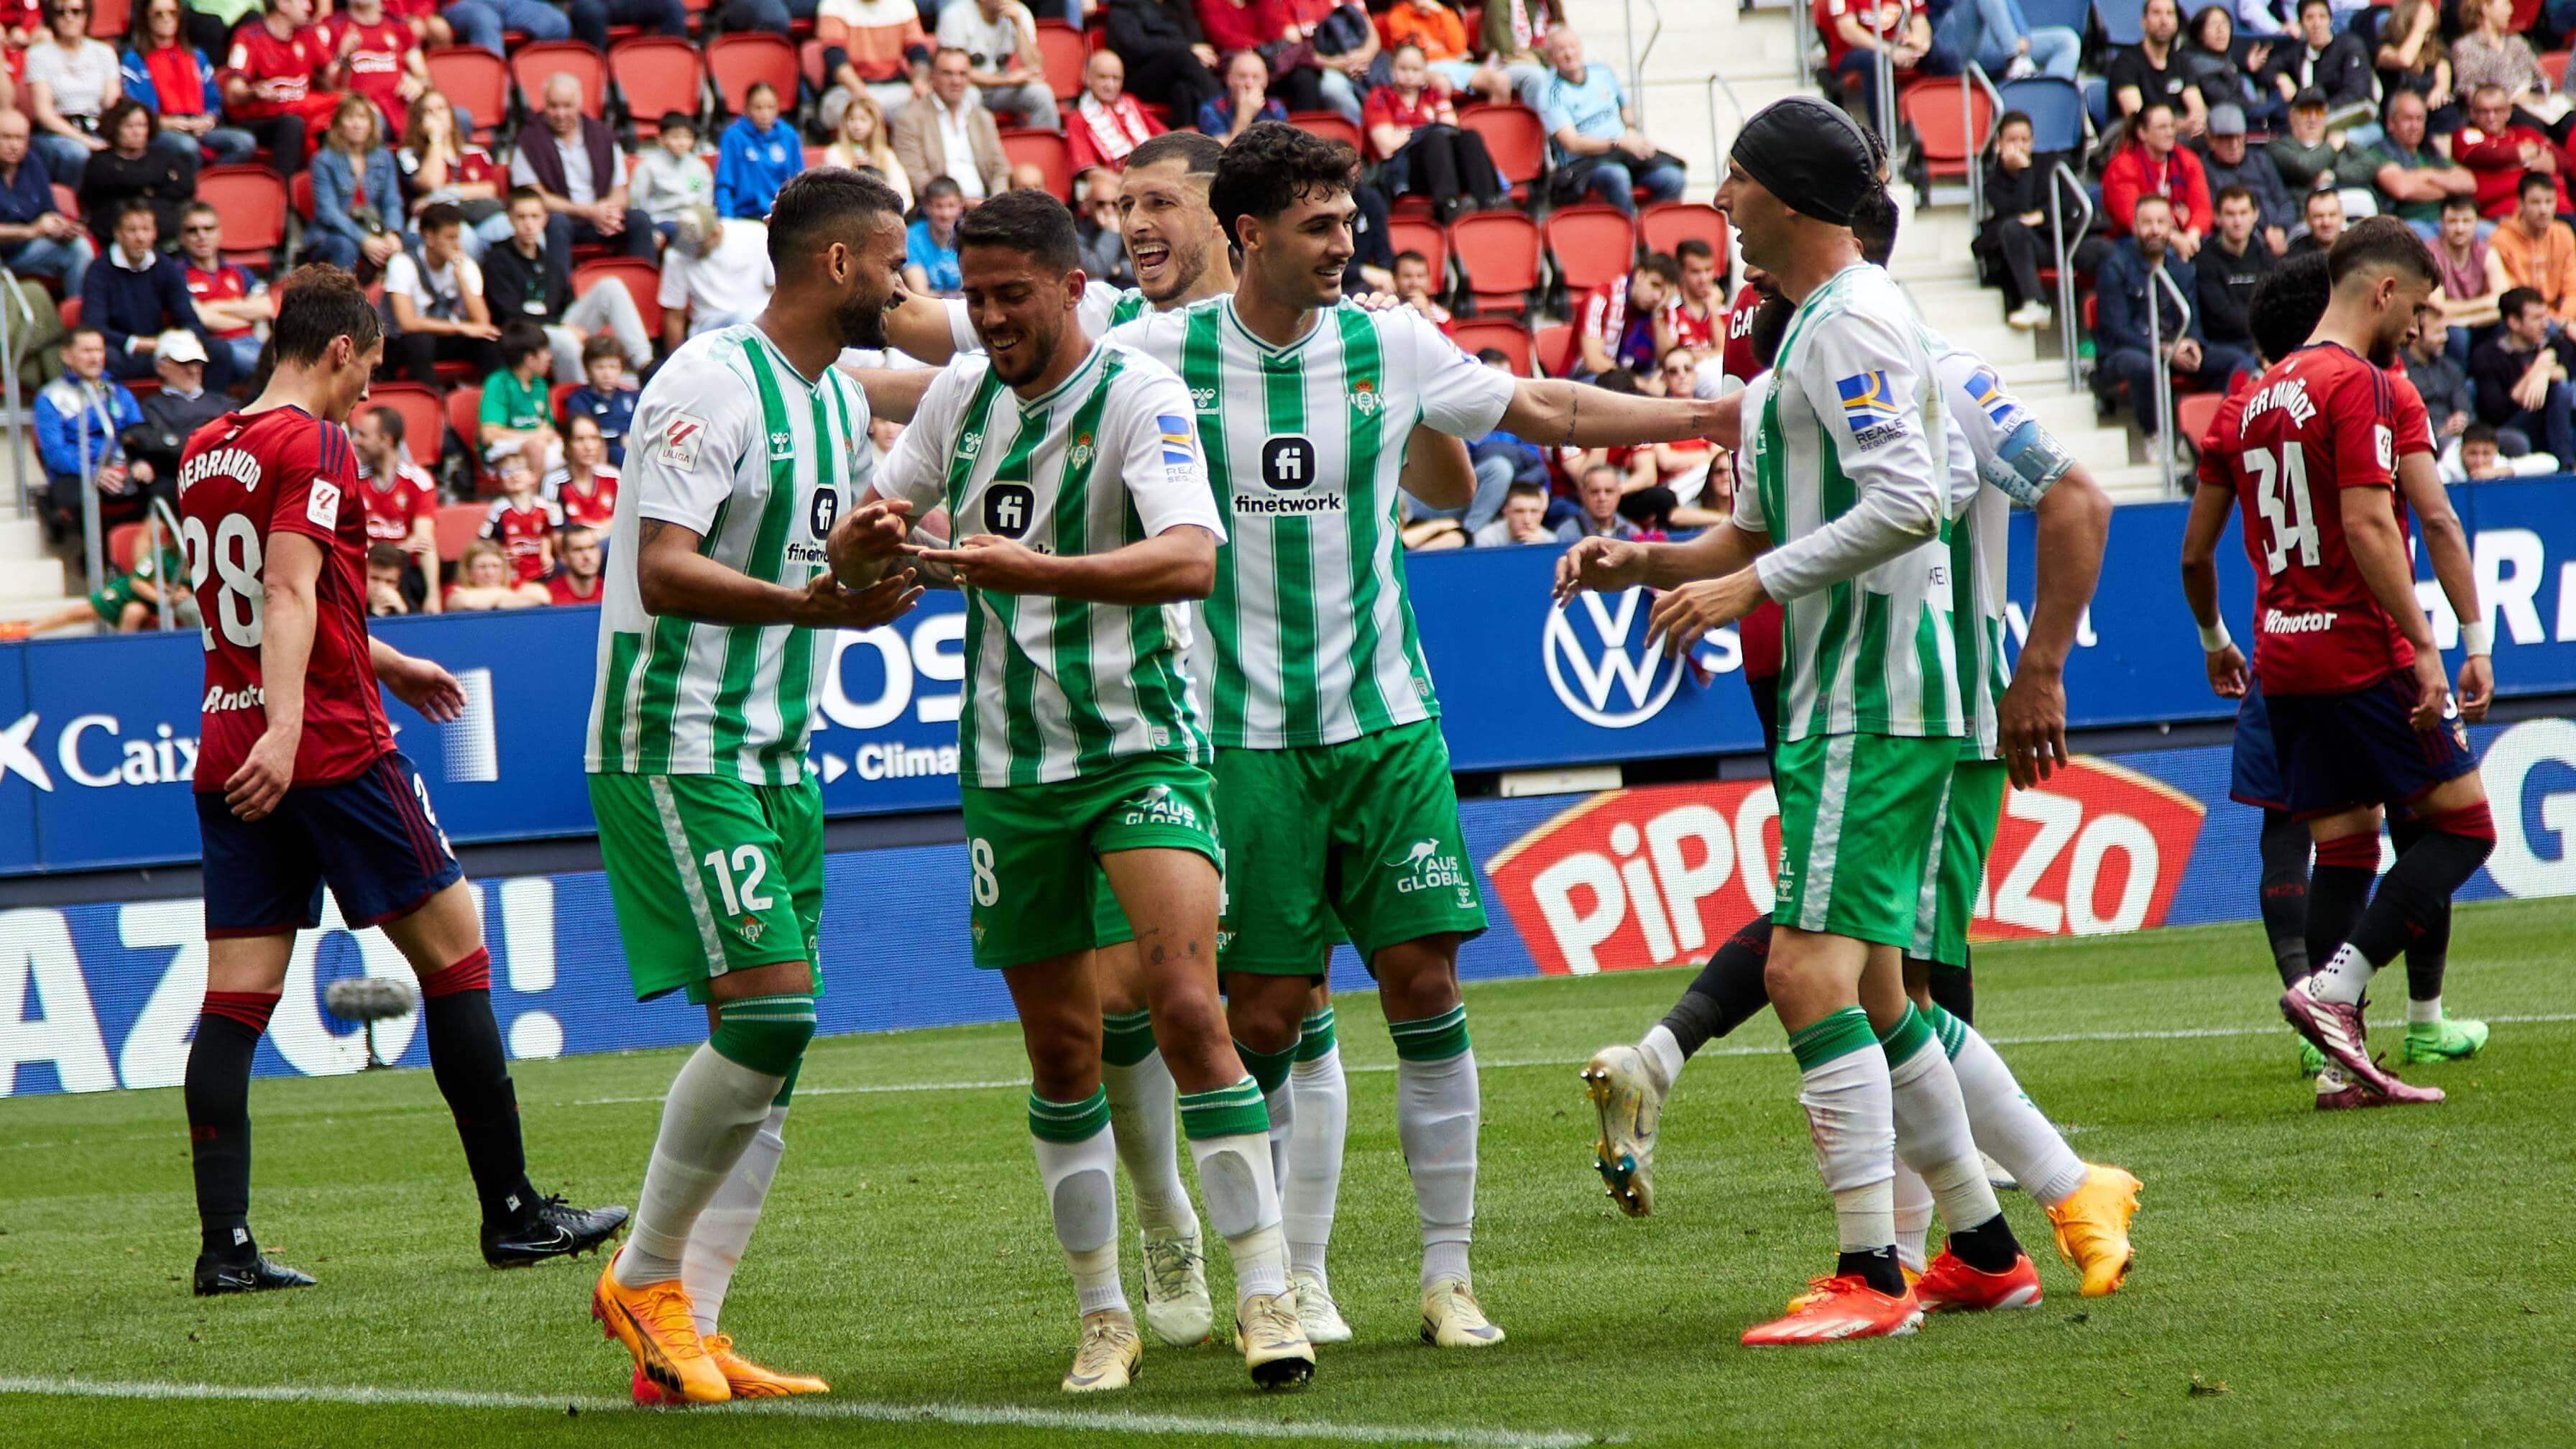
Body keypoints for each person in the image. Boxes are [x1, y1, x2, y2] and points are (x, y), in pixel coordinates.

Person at [1104, 120, 1734, 1358]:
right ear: (1247, 234)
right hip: (1241, 741)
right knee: (1269, 1018)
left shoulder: (1383, 342)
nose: (1346, 243)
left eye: (1349, 221)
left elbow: (1541, 403)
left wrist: (1712, 410)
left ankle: (1447, 1279)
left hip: (1385, 725)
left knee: (1426, 986)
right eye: (1319, 226)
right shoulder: (1156, 352)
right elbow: (1006, 392)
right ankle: (1271, 1273)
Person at [1573, 184, 2138, 1300]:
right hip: (1843, 686)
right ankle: (1987, 1244)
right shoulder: (1808, 357)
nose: (1753, 313)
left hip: (1925, 703)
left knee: (1866, 968)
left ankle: (2005, 1214)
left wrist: (2038, 673)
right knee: (1878, 976)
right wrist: (1643, 559)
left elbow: (2074, 496)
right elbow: (1759, 522)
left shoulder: (1914, 356)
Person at [851, 182, 1310, 1394]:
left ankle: (1264, 1291)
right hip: (1009, 769)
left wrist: (1033, 568)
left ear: (1068, 285)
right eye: (976, 296)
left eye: (1013, 296)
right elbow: (887, 515)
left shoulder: (1134, 394)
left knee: (1186, 1007)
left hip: (1138, 747)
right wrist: (863, 542)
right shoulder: (957, 395)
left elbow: (1189, 560)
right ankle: (1102, 1310)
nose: (992, 318)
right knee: (1061, 1052)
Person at [175, 263, 625, 1297]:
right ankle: (514, 1215)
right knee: (458, 952)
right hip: (325, 744)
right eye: (369, 368)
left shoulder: (206, 449)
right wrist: (294, 729)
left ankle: (225, 1249)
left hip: (229, 745)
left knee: (235, 1001)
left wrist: (387, 658)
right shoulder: (316, 440)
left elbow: (259, 603)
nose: (370, 392)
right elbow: (286, 590)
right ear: (339, 350)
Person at [581, 167, 920, 1407]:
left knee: (775, 1059)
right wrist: (809, 605)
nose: (905, 281)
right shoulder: (704, 384)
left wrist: (882, 582)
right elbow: (663, 570)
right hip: (677, 739)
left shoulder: (834, 400)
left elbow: (825, 563)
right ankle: (645, 1276)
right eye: (893, 258)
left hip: (778, 750)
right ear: (837, 264)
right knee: (769, 1017)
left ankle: (691, 1339)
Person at [2191, 219, 2493, 1106]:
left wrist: (2216, 638)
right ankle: (2335, 988)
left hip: (2282, 658)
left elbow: (2191, 553)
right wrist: (2435, 645)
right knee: (2464, 828)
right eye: (2419, 309)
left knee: (2344, 844)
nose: (2418, 331)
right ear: (2384, 291)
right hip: (2362, 649)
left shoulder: (2253, 394)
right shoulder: (2358, 383)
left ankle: (2338, 1066)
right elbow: (2380, 524)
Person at [2094, 193, 2238, 443]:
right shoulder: (2115, 266)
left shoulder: (2181, 268)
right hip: (2127, 354)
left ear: (2172, 227)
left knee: (2237, 361)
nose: (2155, 230)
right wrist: (2165, 351)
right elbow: (2117, 332)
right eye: (2147, 223)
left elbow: (2192, 318)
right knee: (2144, 366)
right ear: (2134, 226)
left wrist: (2193, 343)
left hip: (2174, 349)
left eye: (2162, 222)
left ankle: (2223, 436)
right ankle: (2156, 437)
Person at [482, 185, 653, 382]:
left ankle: (645, 365)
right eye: (521, 217)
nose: (528, 224)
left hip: (557, 326)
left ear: (545, 219)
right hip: (521, 334)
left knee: (610, 286)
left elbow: (567, 303)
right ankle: (579, 399)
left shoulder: (550, 261)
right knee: (568, 341)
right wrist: (561, 327)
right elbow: (509, 315)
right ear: (510, 219)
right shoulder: (498, 258)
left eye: (535, 217)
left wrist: (563, 326)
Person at [1535, 26, 1683, 215]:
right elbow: (1571, 143)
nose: (1569, 54)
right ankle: (1629, 237)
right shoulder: (1551, 93)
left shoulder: (1602, 72)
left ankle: (1655, 237)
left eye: (1573, 46)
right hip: (1584, 163)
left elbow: (1626, 108)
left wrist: (1629, 130)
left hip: (1623, 152)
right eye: (1561, 50)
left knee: (1672, 177)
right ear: (1550, 58)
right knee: (1617, 176)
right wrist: (1617, 143)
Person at [510, 75, 656, 262]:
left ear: (579, 104)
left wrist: (607, 213)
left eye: (567, 106)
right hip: (564, 221)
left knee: (640, 220)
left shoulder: (602, 135)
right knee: (556, 223)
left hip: (601, 219)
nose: (561, 114)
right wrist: (588, 212)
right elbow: (536, 197)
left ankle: (643, 284)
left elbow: (620, 191)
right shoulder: (529, 140)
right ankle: (561, 290)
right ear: (544, 104)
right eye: (554, 107)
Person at [82, 202, 229, 387]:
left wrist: (176, 341)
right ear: (118, 234)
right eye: (132, 230)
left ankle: (210, 408)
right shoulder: (99, 270)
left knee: (219, 351)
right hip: (125, 351)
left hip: (165, 349)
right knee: (108, 359)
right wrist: (142, 344)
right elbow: (94, 328)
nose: (140, 238)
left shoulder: (164, 266)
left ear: (155, 233)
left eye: (146, 230)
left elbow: (190, 320)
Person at [1364, 43, 1504, 222]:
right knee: (1436, 138)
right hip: (1404, 171)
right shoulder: (1380, 98)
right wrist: (1426, 131)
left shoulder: (1434, 95)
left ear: (1425, 72)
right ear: (1392, 69)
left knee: (1470, 136)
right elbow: (1386, 147)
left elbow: (1452, 128)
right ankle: (1448, 206)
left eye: (1415, 69)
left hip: (1441, 167)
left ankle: (1489, 202)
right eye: (1403, 68)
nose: (1409, 75)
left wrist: (1407, 133)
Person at [34, 326, 148, 538]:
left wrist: (141, 462)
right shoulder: (50, 397)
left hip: (119, 470)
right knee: (78, 497)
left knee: (163, 488)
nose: (96, 358)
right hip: (77, 474)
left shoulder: (118, 392)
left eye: (99, 351)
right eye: (87, 351)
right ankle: (97, 562)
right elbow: (55, 454)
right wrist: (94, 472)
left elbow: (139, 434)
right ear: (67, 356)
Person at [380, 201, 501, 386]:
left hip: (445, 339)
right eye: (450, 238)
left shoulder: (465, 265)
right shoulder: (402, 263)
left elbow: (482, 323)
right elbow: (407, 323)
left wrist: (461, 280)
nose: (456, 245)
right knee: (421, 341)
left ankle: (489, 402)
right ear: (429, 237)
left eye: (457, 237)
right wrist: (461, 327)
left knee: (489, 342)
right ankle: (428, 403)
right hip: (403, 343)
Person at [121, 0, 256, 164]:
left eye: (173, 13)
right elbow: (135, 107)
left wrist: (208, 120)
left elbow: (213, 101)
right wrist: (166, 122)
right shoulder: (134, 59)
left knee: (244, 142)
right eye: (158, 14)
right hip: (160, 129)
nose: (166, 19)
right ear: (146, 19)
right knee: (188, 146)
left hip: (198, 125)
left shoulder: (197, 56)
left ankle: (210, 183)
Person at [223, 0, 346, 178]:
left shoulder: (308, 33)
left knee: (345, 114)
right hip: (260, 119)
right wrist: (254, 92)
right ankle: (284, 196)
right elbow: (232, 94)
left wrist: (342, 56)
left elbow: (332, 84)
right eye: (302, 1)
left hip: (302, 112)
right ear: (283, 4)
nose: (309, 7)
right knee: (292, 124)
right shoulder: (249, 36)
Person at [0, 529, 185, 637]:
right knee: (81, 612)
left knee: (133, 613)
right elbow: (137, 582)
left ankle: (124, 660)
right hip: (132, 593)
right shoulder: (164, 554)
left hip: (155, 605)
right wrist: (166, 596)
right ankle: (27, 630)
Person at [396, 90, 510, 260]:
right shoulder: (409, 154)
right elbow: (432, 183)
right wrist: (436, 140)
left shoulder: (475, 152)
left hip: (477, 215)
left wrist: (442, 195)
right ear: (419, 122)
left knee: (506, 227)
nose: (436, 116)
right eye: (429, 111)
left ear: (451, 115)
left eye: (441, 109)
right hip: (436, 225)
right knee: (463, 235)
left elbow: (489, 190)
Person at [2469, 285, 2576, 464]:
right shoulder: (2487, 356)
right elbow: (2496, 412)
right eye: (2536, 318)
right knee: (2557, 390)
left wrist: (2544, 372)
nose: (2545, 324)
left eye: (2545, 316)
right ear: (2514, 323)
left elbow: (2563, 365)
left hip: (2546, 422)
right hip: (2509, 425)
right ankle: (2566, 465)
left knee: (2560, 390)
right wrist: (2535, 372)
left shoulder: (2553, 345)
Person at [893, 48, 1014, 202]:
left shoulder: (983, 117)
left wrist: (995, 204)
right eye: (947, 73)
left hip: (985, 206)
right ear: (932, 76)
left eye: (962, 74)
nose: (956, 81)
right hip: (938, 210)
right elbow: (914, 173)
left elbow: (1000, 169)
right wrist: (957, 204)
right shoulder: (910, 118)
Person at [352, 401, 441, 612]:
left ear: (386, 440)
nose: (355, 441)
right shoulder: (352, 479)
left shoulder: (417, 480)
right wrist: (400, 547)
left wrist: (433, 595)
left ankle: (430, 603)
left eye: (363, 435)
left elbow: (423, 542)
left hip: (403, 575)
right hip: (364, 569)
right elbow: (355, 542)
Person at [308, 94, 410, 275]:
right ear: (338, 124)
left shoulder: (383, 157)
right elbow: (328, 212)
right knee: (346, 247)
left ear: (372, 124)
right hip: (334, 234)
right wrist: (364, 240)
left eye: (363, 118)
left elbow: (392, 201)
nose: (357, 124)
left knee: (413, 242)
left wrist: (392, 232)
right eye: (350, 118)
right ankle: (342, 302)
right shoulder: (323, 160)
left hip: (375, 229)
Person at [77, 100, 193, 253]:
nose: (137, 132)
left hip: (165, 238)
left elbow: (186, 186)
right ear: (115, 128)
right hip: (115, 239)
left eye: (142, 126)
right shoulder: (100, 161)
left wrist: (145, 188)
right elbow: (130, 180)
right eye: (129, 126)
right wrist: (157, 185)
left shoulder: (163, 155)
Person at [0, 107, 95, 293]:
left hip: (25, 250)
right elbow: (34, 230)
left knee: (79, 248)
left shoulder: (32, 163)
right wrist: (30, 231)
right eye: (6, 137)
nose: (14, 145)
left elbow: (48, 209)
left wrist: (62, 227)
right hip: (6, 248)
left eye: (20, 138)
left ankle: (79, 317)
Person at [2102, 101, 2212, 254]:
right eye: (2162, 128)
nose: (2170, 133)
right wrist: (2175, 228)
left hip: (2185, 235)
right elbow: (2133, 219)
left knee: (2212, 247)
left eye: (2172, 126)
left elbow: (2202, 209)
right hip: (2134, 239)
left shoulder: (2187, 160)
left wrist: (2192, 235)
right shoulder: (2122, 165)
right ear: (2142, 132)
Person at [178, 203, 272, 380]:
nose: (201, 236)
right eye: (193, 230)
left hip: (254, 343)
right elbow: (202, 318)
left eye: (208, 229)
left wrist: (213, 306)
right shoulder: (178, 274)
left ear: (219, 233)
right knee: (272, 371)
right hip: (216, 348)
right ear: (182, 237)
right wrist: (244, 313)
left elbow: (266, 308)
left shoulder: (238, 271)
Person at [658, 206, 776, 346]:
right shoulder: (677, 256)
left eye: (697, 245)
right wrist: (674, 360)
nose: (689, 250)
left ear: (715, 233)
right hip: (710, 327)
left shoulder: (755, 234)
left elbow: (776, 286)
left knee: (750, 321)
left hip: (758, 320)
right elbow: (674, 314)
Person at [2452, 83, 2568, 220]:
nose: (2491, 117)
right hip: (2506, 215)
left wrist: (2551, 161)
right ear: (2472, 113)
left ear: (2508, 112)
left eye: (2498, 110)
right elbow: (2488, 155)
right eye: (2484, 111)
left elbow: (2566, 161)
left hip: (2558, 209)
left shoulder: (2526, 133)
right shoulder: (2467, 135)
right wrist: (2520, 153)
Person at [936, 0, 1058, 129]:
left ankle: (1042, 149)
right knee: (970, 96)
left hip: (1001, 90)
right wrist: (1007, 80)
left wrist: (1018, 26)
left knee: (1041, 93)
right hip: (968, 86)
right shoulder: (955, 15)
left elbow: (1034, 66)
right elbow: (953, 73)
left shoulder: (1019, 13)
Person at [129, 327, 229, 483]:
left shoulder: (225, 404)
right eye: (184, 363)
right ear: (162, 367)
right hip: (177, 480)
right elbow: (159, 446)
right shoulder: (151, 407)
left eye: (197, 363)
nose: (193, 370)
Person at [1817, 0, 1931, 137]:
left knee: (1942, 57)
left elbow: (1920, 21)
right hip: (1852, 52)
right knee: (1876, 61)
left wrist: (1920, 46)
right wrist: (1891, 52)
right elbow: (1847, 29)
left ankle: (1936, 139)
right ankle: (1884, 139)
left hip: (1897, 47)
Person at [2368, 90, 2475, 233]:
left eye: (2419, 119)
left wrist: (2427, 176)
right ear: (2390, 123)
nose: (2415, 126)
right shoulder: (2380, 151)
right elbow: (2402, 189)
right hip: (2406, 225)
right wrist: (2448, 189)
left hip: (2446, 223)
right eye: (2408, 119)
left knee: (2488, 235)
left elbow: (2469, 183)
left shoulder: (2429, 151)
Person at [321, 0, 429, 136]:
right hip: (362, 111)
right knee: (370, 124)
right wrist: (342, 56)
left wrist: (418, 83)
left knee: (458, 118)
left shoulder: (399, 26)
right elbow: (326, 86)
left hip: (401, 106)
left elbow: (423, 76)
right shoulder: (331, 27)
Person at [1104, 0, 1223, 121]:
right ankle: (1223, 115)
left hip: (1176, 75)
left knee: (1183, 88)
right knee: (1184, 58)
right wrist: (1187, 48)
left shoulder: (1178, 6)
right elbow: (1135, 45)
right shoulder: (1124, 6)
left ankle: (1187, 135)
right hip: (1139, 76)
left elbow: (1196, 41)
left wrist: (1197, 53)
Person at [2195, 104, 2295, 248]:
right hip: (2235, 239)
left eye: (2239, 136)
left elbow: (2285, 202)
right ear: (2211, 140)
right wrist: (2261, 231)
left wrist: (2280, 228)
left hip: (2280, 233)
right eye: (2226, 138)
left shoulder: (2260, 160)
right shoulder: (2203, 169)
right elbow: (2214, 215)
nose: (2234, 145)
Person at [2199, 186, 2275, 373]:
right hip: (2221, 345)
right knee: (2247, 363)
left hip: (2261, 340)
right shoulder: (2205, 259)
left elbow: (2275, 302)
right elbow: (2220, 313)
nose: (2238, 221)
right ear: (2217, 217)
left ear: (2255, 215)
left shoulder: (2265, 256)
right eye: (2230, 214)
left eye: (2243, 213)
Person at [2258, 0, 2370, 124]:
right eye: (2310, 18)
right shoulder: (2298, 52)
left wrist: (2320, 111)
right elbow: (2268, 68)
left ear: (2330, 20)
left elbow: (2356, 92)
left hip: (2350, 120)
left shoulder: (2349, 46)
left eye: (2322, 17)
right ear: (2301, 23)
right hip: (2308, 123)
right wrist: (2279, 78)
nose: (2316, 24)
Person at [815, 0, 932, 116]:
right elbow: (835, 57)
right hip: (846, 89)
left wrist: (920, 81)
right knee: (848, 112)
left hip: (892, 88)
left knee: (925, 107)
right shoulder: (833, 4)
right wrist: (861, 94)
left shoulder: (904, 4)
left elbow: (918, 51)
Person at [2488, 170, 2576, 323]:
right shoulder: (2501, 240)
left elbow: (2573, 290)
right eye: (2536, 202)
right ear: (2520, 204)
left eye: (2549, 202)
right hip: (2523, 320)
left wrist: (2564, 320)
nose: (2544, 210)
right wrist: (2555, 323)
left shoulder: (2563, 234)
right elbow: (2512, 297)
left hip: (2562, 318)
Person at [2109, 0, 2207, 137]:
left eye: (2170, 14)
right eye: (2156, 13)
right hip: (2137, 141)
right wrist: (2181, 125)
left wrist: (2195, 123)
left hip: (2176, 137)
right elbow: (2137, 119)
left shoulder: (2182, 62)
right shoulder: (2126, 63)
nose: (2164, 20)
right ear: (2144, 22)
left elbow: (2198, 109)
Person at [477, 321, 559, 474]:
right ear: (529, 359)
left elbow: (547, 427)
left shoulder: (540, 384)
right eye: (545, 352)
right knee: (535, 449)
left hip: (537, 444)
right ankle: (531, 499)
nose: (549, 357)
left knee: (587, 447)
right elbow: (490, 435)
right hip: (502, 452)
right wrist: (534, 437)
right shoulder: (499, 383)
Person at [714, 83, 804, 222]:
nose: (765, 114)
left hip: (782, 218)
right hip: (745, 218)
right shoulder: (733, 136)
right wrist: (728, 222)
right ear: (746, 109)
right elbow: (724, 185)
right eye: (758, 108)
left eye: (771, 107)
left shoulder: (789, 135)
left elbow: (799, 183)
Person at [1067, 50, 1163, 178]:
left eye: (1116, 78)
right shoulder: (1078, 119)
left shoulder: (1131, 102)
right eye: (1102, 77)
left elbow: (1165, 138)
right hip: (1117, 182)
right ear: (1087, 77)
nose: (1110, 85)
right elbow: (1090, 171)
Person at [1573, 257, 1673, 379]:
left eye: (1663, 292)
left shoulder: (1661, 310)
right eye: (1654, 285)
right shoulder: (1602, 298)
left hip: (1635, 377)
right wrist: (1641, 384)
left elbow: (1669, 362)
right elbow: (1594, 362)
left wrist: (1658, 316)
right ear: (1640, 275)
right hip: (1589, 378)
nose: (1657, 297)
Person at [2447, 0, 2547, 119]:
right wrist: (2508, 101)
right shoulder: (2466, 47)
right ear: (2485, 8)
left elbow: (2540, 77)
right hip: (2499, 113)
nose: (2511, 10)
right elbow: (2469, 91)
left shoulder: (2516, 42)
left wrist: (2535, 96)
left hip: (2535, 105)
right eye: (2505, 4)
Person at [1936, 0, 2078, 82]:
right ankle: (2014, 58)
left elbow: (2009, 3)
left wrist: (2023, 34)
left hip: (1997, 44)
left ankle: (2047, 106)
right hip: (1949, 46)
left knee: (2066, 42)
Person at [2432, 192, 2510, 337]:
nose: (2460, 228)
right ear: (2442, 223)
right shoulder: (2431, 254)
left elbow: (2504, 301)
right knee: (2458, 336)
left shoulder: (2487, 253)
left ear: (2477, 223)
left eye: (2466, 221)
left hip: (2475, 321)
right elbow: (2438, 308)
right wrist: (2486, 303)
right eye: (2452, 221)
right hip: (2447, 326)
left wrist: (2467, 320)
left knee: (2506, 326)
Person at [479, 449, 561, 582]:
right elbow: (485, 540)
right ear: (499, 481)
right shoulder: (498, 509)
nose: (514, 475)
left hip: (544, 570)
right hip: (512, 573)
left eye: (520, 469)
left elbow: (552, 534)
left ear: (533, 476)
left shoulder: (546, 507)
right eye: (507, 472)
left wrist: (547, 554)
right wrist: (501, 553)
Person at [819, 92, 910, 210]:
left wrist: (876, 173)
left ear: (874, 123)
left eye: (863, 120)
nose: (857, 126)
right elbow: (832, 192)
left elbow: (905, 195)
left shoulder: (886, 155)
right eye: (852, 119)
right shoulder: (835, 152)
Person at [633, 111, 717, 235]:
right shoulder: (648, 166)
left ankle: (683, 252)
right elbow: (638, 202)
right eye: (676, 137)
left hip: (693, 219)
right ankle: (677, 254)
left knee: (720, 232)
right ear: (661, 139)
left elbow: (704, 198)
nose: (682, 143)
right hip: (662, 220)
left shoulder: (699, 166)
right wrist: (650, 230)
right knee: (688, 234)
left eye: (688, 137)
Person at [2371, 0, 2449, 130]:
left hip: (2425, 119)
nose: (2427, 36)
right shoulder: (2384, 51)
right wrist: (2419, 29)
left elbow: (2444, 69)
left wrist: (2441, 88)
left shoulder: (2433, 54)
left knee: (2446, 113)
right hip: (2395, 122)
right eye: (2426, 29)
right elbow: (2404, 60)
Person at [2181, 5, 2264, 126]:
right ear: (2199, 33)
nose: (2221, 30)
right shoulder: (2196, 65)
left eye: (2225, 24)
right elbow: (2228, 102)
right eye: (2214, 24)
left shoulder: (2225, 59)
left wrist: (2247, 68)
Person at [564, 334, 638, 464]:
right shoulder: (580, 399)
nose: (607, 374)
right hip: (605, 452)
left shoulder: (631, 397)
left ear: (621, 370)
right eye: (600, 367)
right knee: (617, 453)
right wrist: (619, 439)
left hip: (635, 447)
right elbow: (583, 434)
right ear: (587, 370)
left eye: (613, 367)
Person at [546, 413, 619, 530]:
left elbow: (627, 522)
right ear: (567, 444)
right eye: (580, 439)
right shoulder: (554, 483)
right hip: (575, 547)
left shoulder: (613, 477)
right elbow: (556, 535)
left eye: (594, 438)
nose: (588, 447)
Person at [1199, 47, 1288, 139]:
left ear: (1266, 81)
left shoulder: (1274, 108)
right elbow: (1221, 152)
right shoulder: (1212, 110)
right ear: (1229, 79)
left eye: (1256, 77)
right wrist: (1244, 117)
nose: (1249, 84)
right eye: (1242, 77)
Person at [444, 537, 551, 608]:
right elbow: (464, 601)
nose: (490, 573)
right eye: (482, 567)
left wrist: (494, 601)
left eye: (496, 566)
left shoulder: (513, 585)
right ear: (468, 572)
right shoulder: (455, 589)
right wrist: (505, 595)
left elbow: (542, 596)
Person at [441, 0, 572, 57]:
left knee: (557, 24)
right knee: (484, 20)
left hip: (510, 4)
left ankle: (538, 94)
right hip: (464, 4)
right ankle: (491, 97)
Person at [905, 175, 967, 294]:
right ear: (927, 207)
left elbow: (972, 291)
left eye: (951, 206)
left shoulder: (968, 237)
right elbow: (921, 294)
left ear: (961, 206)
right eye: (939, 206)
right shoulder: (911, 237)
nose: (945, 215)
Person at [1555, 462, 1639, 542]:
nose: (1602, 499)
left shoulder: (1632, 532)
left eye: (1609, 491)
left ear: (1618, 494)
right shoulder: (1567, 533)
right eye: (1595, 492)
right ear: (1583, 495)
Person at [1471, 482, 1552, 546]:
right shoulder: (1487, 539)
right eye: (1519, 512)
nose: (1527, 520)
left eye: (1534, 511)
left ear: (1542, 514)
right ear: (1505, 512)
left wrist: (1542, 550)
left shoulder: (1550, 541)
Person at [548, 523, 604, 604]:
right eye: (578, 550)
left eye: (592, 548)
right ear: (563, 557)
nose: (587, 557)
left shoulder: (610, 592)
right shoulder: (550, 596)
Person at [2286, 186, 2344, 257]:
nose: (2326, 223)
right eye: (2319, 216)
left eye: (2332, 215)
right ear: (2307, 220)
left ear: (2342, 218)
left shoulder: (2356, 247)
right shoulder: (2294, 256)